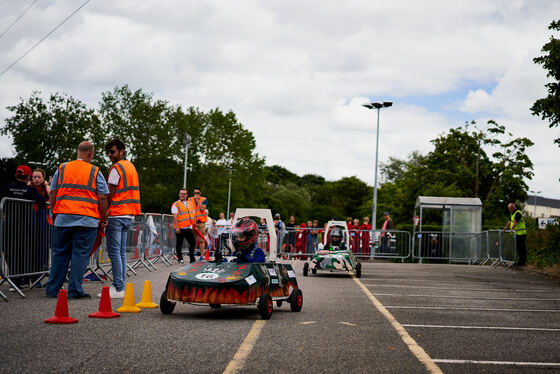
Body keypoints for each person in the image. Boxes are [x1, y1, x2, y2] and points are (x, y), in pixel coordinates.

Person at [45, 141, 109, 299]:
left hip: (62, 218)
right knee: (80, 255)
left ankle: (52, 290)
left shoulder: (63, 168)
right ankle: (74, 290)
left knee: (59, 254)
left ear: (77, 151)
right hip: (86, 220)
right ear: (90, 154)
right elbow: (102, 197)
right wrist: (104, 217)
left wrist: (54, 210)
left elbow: (52, 192)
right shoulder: (94, 171)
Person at [99, 139, 141, 299]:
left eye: (113, 151)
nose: (110, 155)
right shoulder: (130, 167)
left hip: (117, 213)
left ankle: (118, 287)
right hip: (128, 214)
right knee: (121, 252)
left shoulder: (117, 168)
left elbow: (109, 193)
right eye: (108, 152)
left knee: (115, 253)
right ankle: (120, 286)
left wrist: (103, 214)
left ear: (122, 151)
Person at [0, 165, 47, 291]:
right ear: (28, 177)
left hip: (9, 226)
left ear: (16, 175)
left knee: (10, 252)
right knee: (24, 253)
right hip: (25, 227)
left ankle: (14, 281)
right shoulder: (30, 190)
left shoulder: (7, 188)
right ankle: (20, 279)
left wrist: (2, 214)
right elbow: (42, 203)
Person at [171, 188, 196, 264]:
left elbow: (192, 214)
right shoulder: (176, 204)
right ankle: (180, 258)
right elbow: (175, 216)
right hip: (180, 228)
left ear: (186, 195)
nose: (182, 195)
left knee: (193, 243)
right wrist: (177, 227)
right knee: (179, 244)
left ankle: (192, 258)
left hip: (188, 227)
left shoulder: (189, 203)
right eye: (181, 193)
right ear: (179, 194)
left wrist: (193, 225)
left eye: (184, 194)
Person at [190, 187, 208, 258]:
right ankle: (192, 255)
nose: (196, 194)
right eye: (195, 193)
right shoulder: (190, 199)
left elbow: (202, 208)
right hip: (192, 223)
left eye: (198, 193)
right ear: (193, 193)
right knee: (192, 240)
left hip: (201, 223)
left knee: (201, 240)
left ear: (200, 193)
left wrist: (197, 201)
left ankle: (201, 256)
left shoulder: (204, 199)